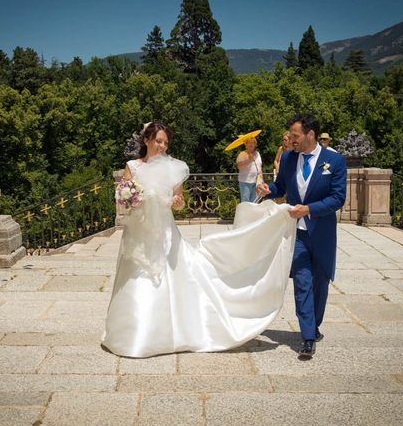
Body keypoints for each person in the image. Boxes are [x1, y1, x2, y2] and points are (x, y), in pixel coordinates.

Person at [102, 121, 297, 358]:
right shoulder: (132, 166)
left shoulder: (173, 168)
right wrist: (130, 198)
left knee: (167, 276)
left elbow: (179, 200)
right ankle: (130, 331)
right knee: (135, 274)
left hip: (164, 230)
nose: (162, 146)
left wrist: (177, 202)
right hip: (138, 231)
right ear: (146, 141)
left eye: (165, 142)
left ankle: (164, 332)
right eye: (158, 141)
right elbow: (123, 199)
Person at [257, 113, 346, 359]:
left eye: (295, 135)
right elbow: (281, 188)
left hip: (323, 233)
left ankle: (314, 324)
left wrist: (309, 209)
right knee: (302, 282)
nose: (291, 140)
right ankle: (307, 337)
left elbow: (338, 198)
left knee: (320, 282)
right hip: (296, 234)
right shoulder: (287, 158)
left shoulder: (334, 161)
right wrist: (267, 190)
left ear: (310, 134)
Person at [236, 138, 262, 202]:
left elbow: (260, 167)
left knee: (254, 202)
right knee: (245, 202)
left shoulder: (257, 154)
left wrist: (261, 180)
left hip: (256, 182)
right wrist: (249, 160)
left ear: (255, 144)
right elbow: (239, 165)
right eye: (249, 142)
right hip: (245, 182)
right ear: (246, 144)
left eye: (253, 142)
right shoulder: (242, 154)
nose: (251, 144)